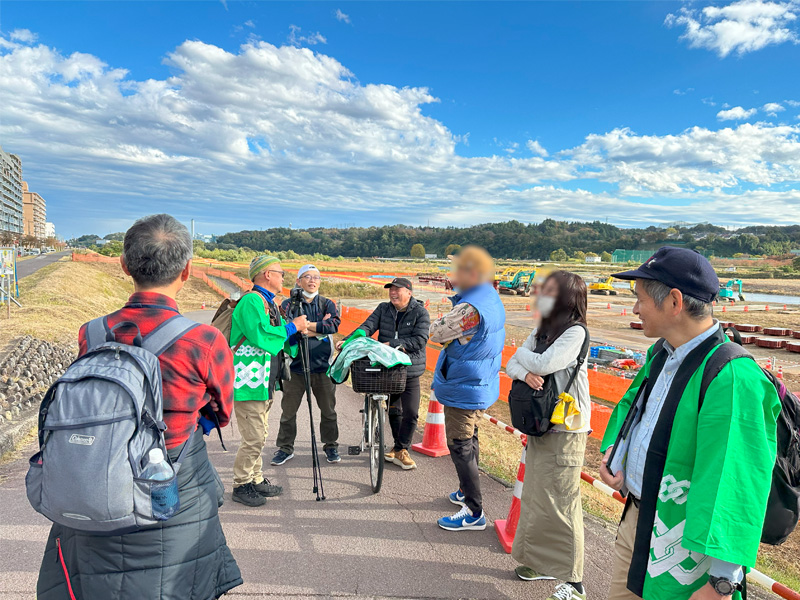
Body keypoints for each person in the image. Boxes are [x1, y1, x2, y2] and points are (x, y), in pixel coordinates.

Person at [37, 214, 242, 600]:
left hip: (96, 481)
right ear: (187, 270)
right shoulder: (204, 339)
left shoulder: (92, 332)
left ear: (124, 265)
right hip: (174, 489)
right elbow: (222, 412)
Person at [599, 247, 780, 600]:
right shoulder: (660, 353)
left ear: (674, 301)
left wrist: (721, 582)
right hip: (639, 517)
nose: (635, 309)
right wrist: (614, 452)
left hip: (685, 546)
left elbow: (736, 483)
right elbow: (631, 407)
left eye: (639, 299)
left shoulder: (732, 378)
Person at [506, 271, 591, 600]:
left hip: (567, 430)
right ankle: (538, 562)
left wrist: (526, 363)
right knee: (537, 497)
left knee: (563, 502)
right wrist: (526, 370)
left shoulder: (576, 333)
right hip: (541, 424)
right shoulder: (543, 328)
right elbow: (517, 364)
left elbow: (544, 363)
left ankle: (575, 580)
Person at [430, 245, 505, 531]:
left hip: (465, 384)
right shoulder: (490, 297)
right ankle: (465, 490)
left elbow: (437, 331)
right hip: (480, 381)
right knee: (471, 438)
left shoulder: (470, 308)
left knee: (460, 445)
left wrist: (444, 323)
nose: (452, 276)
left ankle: (474, 512)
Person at [230, 255, 308, 507]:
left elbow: (280, 340)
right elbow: (261, 335)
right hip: (247, 382)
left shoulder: (269, 302)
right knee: (253, 437)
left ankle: (255, 478)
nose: (283, 276)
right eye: (280, 272)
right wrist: (292, 328)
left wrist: (295, 334)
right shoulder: (252, 300)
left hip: (263, 381)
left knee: (260, 435)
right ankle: (241, 484)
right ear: (266, 274)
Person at [338, 277, 430, 470]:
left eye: (397, 290)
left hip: (409, 369)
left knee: (411, 412)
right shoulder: (383, 308)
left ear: (409, 292)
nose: (393, 293)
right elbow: (366, 327)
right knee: (395, 410)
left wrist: (392, 345)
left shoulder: (420, 313)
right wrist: (347, 341)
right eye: (391, 290)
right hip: (387, 369)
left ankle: (400, 449)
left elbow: (420, 340)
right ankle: (399, 449)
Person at [275, 264, 342, 465]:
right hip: (295, 368)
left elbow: (333, 326)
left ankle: (331, 446)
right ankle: (285, 448)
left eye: (316, 277)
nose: (312, 280)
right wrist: (318, 329)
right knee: (288, 412)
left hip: (323, 368)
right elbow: (288, 328)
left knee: (328, 411)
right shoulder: (288, 304)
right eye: (307, 276)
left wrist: (305, 326)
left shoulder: (327, 303)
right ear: (298, 281)